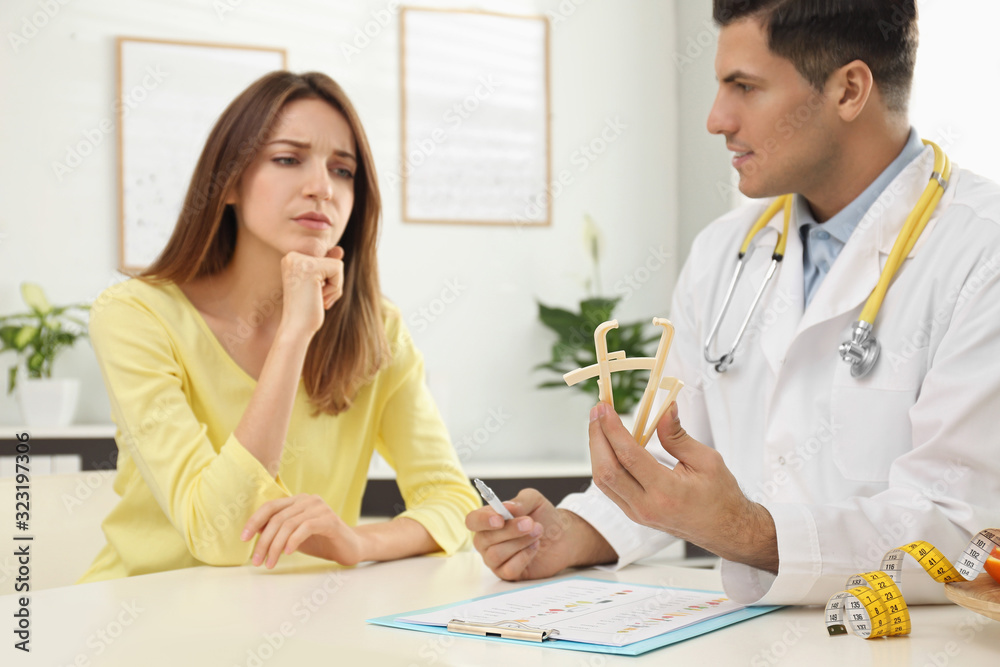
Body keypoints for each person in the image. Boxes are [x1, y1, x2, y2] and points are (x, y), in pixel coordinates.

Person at [467, 0, 1000, 605]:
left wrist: (749, 532)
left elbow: (966, 534)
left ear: (849, 89)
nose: (716, 119)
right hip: (746, 639)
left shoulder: (983, 250)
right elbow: (670, 450)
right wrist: (574, 532)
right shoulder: (726, 251)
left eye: (744, 87)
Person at [80, 71, 479, 582]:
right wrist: (294, 335)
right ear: (227, 184)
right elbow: (220, 536)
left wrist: (356, 542)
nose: (322, 189)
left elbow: (452, 502)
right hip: (141, 621)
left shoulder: (378, 327)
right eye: (288, 159)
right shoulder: (136, 316)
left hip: (294, 618)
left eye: (343, 170)